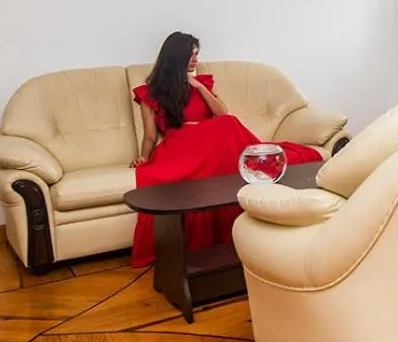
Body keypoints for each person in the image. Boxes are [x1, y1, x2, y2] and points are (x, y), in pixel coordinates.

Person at [130, 32, 323, 267]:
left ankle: (257, 160)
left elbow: (223, 113)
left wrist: (198, 86)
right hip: (181, 146)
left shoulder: (202, 84)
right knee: (219, 133)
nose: (195, 60)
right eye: (191, 55)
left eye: (197, 54)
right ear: (177, 56)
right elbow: (150, 135)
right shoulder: (150, 93)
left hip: (213, 139)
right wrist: (143, 156)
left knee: (227, 123)